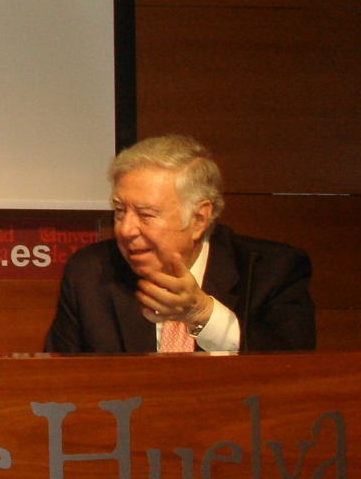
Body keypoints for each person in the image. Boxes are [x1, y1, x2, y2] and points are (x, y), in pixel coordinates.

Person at [46, 135, 314, 353]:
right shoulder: (90, 272)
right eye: (119, 211)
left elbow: (292, 368)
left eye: (146, 215)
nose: (126, 230)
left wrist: (202, 314)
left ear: (199, 219)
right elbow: (60, 385)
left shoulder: (271, 271)